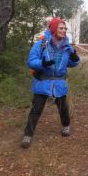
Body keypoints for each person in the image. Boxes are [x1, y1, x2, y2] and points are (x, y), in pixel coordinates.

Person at [21, 17, 80, 148]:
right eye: (61, 28)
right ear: (53, 28)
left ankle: (66, 126)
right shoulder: (41, 44)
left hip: (59, 83)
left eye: (65, 28)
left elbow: (70, 63)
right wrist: (42, 64)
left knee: (63, 108)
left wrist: (75, 59)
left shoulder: (67, 46)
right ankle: (28, 135)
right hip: (43, 82)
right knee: (36, 110)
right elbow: (31, 61)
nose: (64, 30)